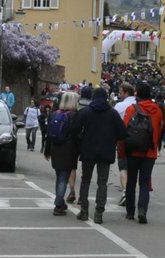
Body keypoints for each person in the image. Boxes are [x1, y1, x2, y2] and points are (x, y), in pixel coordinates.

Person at [71, 85, 128, 224]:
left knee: (85, 180)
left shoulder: (86, 111)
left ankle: (84, 210)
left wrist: (82, 140)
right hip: (105, 151)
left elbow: (73, 129)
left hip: (88, 150)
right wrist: (112, 138)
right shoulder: (112, 113)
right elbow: (122, 133)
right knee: (102, 182)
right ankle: (99, 212)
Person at [122, 82, 163, 223]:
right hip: (150, 152)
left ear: (136, 95)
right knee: (145, 183)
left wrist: (121, 152)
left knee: (131, 181)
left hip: (132, 151)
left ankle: (129, 211)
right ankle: (142, 210)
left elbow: (124, 131)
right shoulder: (157, 110)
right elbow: (161, 129)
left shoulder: (131, 109)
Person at [47, 90, 81, 215]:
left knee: (59, 177)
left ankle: (60, 203)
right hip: (69, 150)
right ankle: (58, 204)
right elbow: (77, 135)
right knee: (63, 179)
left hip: (55, 149)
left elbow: (48, 134)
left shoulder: (54, 114)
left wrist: (47, 150)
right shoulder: (74, 116)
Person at [114, 81, 137, 203]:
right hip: (138, 139)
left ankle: (125, 191)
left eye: (120, 92)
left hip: (122, 139)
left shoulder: (119, 106)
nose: (119, 94)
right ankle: (131, 192)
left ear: (126, 93)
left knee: (123, 166)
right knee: (134, 167)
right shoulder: (139, 104)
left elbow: (114, 123)